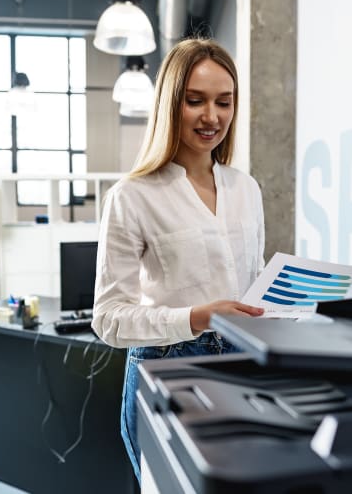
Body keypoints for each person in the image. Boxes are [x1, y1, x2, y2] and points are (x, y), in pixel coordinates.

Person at [92, 38, 266, 482]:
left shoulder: (246, 188)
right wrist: (195, 317)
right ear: (171, 104)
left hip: (242, 368)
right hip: (166, 370)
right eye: (195, 101)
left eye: (223, 102)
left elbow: (253, 278)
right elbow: (108, 319)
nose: (212, 117)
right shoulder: (131, 197)